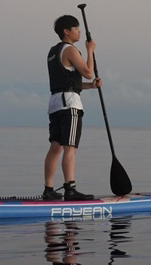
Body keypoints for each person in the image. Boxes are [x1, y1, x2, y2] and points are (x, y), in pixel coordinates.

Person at [43, 14, 102, 201]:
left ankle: (49, 189)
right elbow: (88, 72)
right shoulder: (70, 50)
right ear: (66, 31)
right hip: (69, 104)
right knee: (70, 148)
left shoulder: (53, 52)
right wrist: (90, 50)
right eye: (76, 29)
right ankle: (70, 189)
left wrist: (91, 86)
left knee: (56, 147)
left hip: (55, 103)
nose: (79, 32)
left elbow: (68, 82)